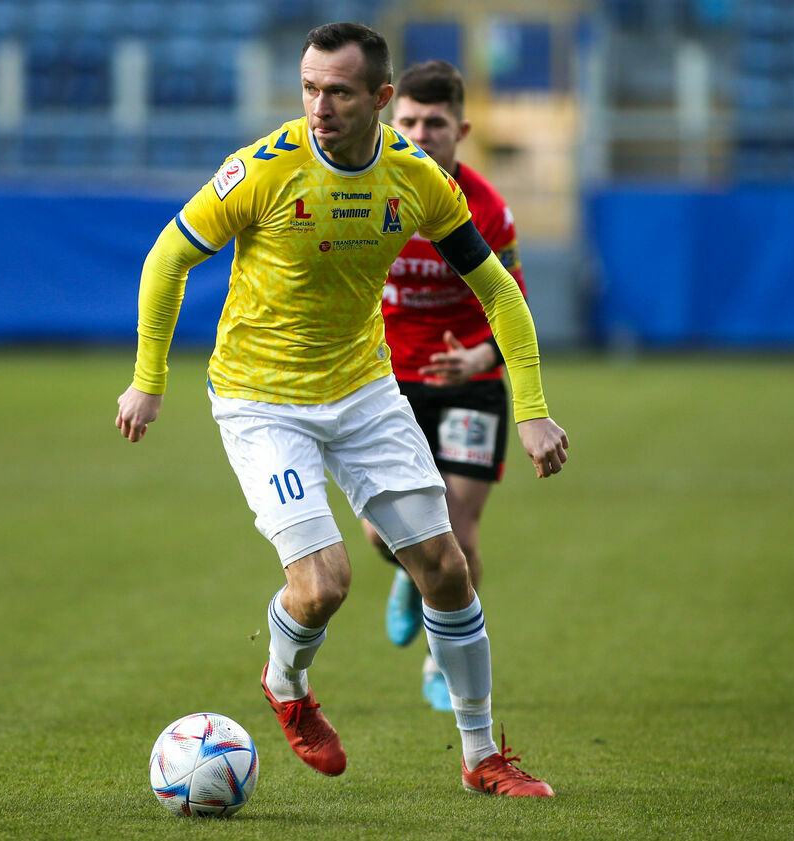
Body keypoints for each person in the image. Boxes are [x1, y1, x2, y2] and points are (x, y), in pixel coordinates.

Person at [115, 22, 569, 798]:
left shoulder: (415, 178)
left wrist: (531, 408)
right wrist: (146, 379)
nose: (319, 106)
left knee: (447, 568)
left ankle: (480, 756)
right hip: (262, 401)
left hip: (363, 391)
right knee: (325, 583)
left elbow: (498, 290)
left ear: (381, 98)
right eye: (309, 88)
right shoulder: (264, 169)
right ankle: (286, 684)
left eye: (339, 92)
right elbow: (168, 258)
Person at [366, 60, 528, 713]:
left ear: (460, 130)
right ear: (390, 122)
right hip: (384, 385)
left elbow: (514, 302)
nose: (419, 133)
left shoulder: (486, 209)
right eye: (407, 121)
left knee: (458, 537)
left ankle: (439, 659)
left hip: (470, 385)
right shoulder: (366, 193)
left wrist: (480, 356)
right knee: (383, 534)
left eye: (434, 123)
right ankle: (413, 576)